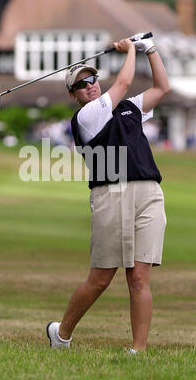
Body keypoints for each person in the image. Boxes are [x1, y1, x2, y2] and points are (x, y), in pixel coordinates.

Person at [46, 33, 170, 353]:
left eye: (92, 79)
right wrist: (130, 50)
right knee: (101, 279)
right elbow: (125, 80)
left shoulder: (129, 109)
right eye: (82, 84)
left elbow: (161, 88)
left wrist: (149, 49)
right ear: (74, 95)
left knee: (139, 278)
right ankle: (62, 333)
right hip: (110, 195)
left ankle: (138, 351)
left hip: (148, 192)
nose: (90, 85)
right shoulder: (87, 117)